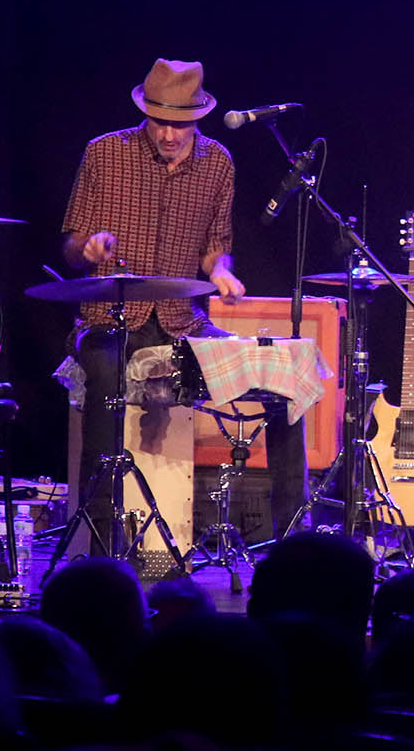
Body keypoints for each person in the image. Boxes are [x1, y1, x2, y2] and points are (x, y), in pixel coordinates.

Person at [59, 58, 307, 549]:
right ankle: (105, 550)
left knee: (284, 373)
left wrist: (221, 271)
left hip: (181, 323)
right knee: (106, 383)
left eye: (182, 125)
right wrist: (85, 248)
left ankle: (291, 546)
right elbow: (70, 244)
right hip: (110, 320)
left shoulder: (217, 162)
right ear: (145, 113)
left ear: (199, 118)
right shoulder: (104, 153)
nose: (171, 135)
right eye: (161, 123)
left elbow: (216, 245)